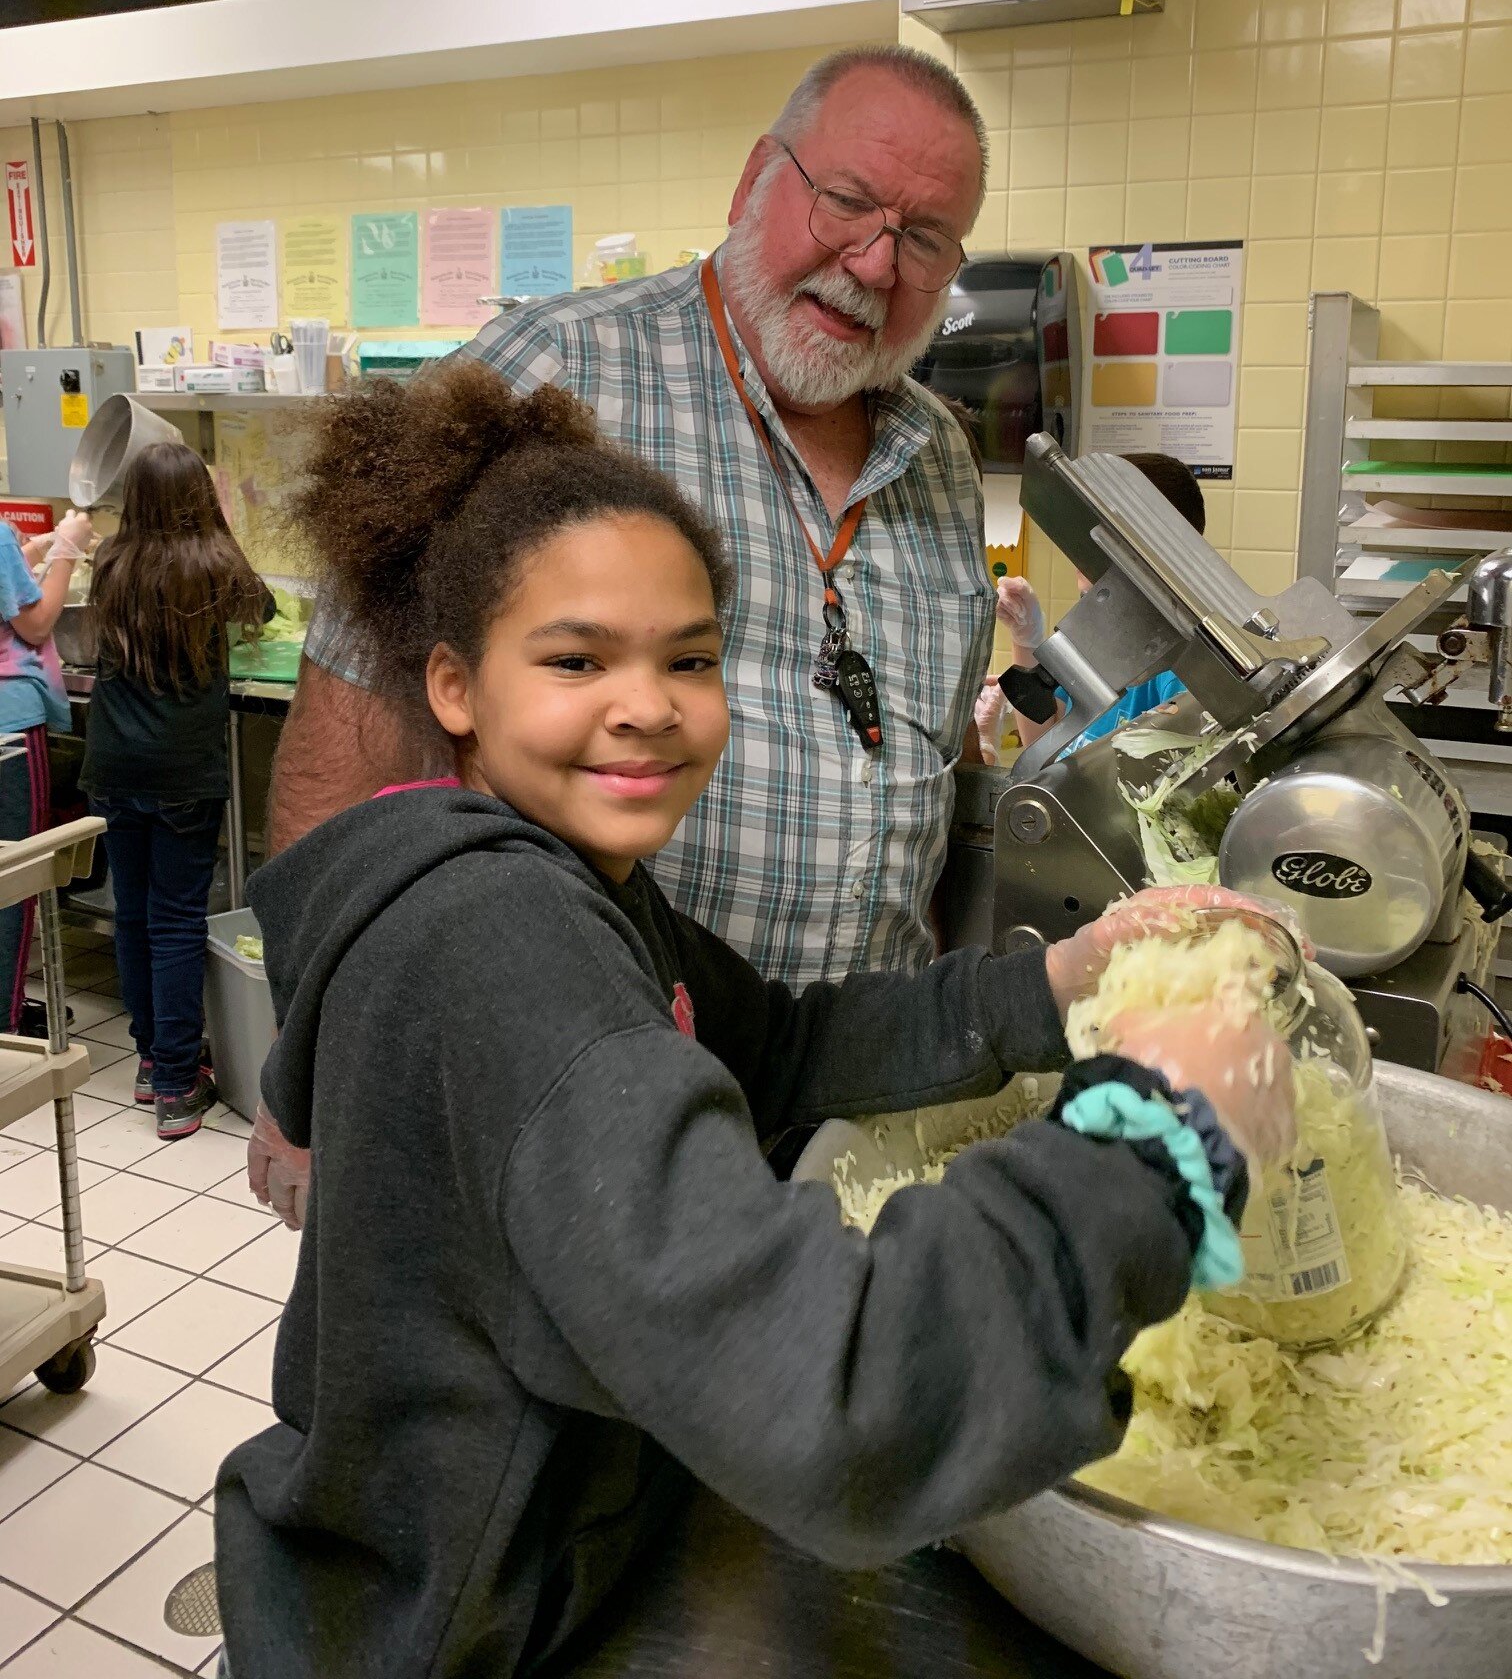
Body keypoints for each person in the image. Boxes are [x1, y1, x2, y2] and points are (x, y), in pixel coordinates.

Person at [214, 366, 1292, 1679]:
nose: (648, 706)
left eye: (691, 659)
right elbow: (835, 1403)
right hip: (451, 1632)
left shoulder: (576, 886)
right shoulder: (500, 943)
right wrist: (1166, 1135)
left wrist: (1058, 985)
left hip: (558, 1542)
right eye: (575, 659)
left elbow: (776, 1044)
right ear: (455, 687)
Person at [269, 44, 996, 991]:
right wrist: (312, 1071)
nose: (873, 261)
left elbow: (940, 756)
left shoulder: (941, 459)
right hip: (566, 1078)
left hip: (856, 1081)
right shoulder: (549, 372)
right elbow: (345, 757)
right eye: (846, 201)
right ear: (754, 181)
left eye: (926, 238)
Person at [80, 443, 272, 1140]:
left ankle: (148, 1059)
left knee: (133, 914)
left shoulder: (109, 560)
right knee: (176, 920)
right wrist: (223, 530)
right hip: (182, 772)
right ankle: (176, 1082)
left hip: (114, 764)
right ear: (202, 501)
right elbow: (266, 605)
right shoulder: (214, 564)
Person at [985, 452, 1206, 762]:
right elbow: (1043, 741)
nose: (1078, 550)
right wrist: (1026, 640)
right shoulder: (1096, 625)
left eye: (1099, 533)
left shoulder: (1177, 665)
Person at [0, 510, 92, 1031]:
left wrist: (37, 547)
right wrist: (67, 551)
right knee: (15, 876)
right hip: (9, 725)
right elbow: (34, 622)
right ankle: (5, 1022)